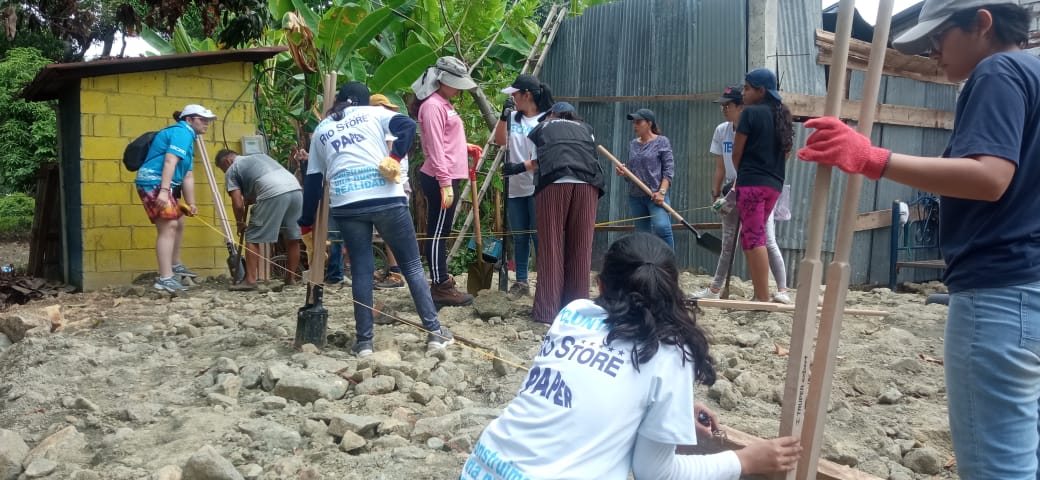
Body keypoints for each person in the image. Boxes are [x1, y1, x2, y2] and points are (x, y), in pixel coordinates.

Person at [798, 2, 1037, 477]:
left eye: (939, 37)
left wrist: (872, 159)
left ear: (982, 23)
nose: (931, 51)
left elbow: (990, 177)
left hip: (1000, 291)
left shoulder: (998, 72)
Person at [460, 233, 801, 480]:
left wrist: (670, 408)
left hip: (481, 468)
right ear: (671, 292)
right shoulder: (669, 352)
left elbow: (593, 383)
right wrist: (744, 461)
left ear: (601, 285)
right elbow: (656, 473)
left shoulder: (573, 313)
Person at [299, 81, 453, 357]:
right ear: (363, 100)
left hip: (347, 203)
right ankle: (435, 333)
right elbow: (408, 126)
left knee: (361, 270)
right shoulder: (373, 113)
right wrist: (394, 157)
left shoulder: (322, 129)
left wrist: (306, 220)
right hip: (386, 199)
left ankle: (364, 343)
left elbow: (312, 181)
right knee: (412, 266)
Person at [691, 86, 792, 304]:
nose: (724, 109)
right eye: (722, 106)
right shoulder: (722, 131)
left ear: (741, 107)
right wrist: (716, 194)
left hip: (754, 187)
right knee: (729, 242)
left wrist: (735, 191)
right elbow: (720, 166)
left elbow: (754, 163)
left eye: (728, 105)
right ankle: (715, 288)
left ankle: (782, 289)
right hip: (732, 188)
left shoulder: (756, 127)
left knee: (766, 239)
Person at [524, 102, 605, 324]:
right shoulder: (586, 129)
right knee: (581, 247)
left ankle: (547, 312)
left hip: (554, 183)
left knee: (551, 246)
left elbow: (536, 163)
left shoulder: (542, 128)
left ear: (551, 114)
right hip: (588, 185)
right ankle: (577, 310)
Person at [412, 56, 477, 308]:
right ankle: (440, 286)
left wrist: (464, 146)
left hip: (447, 174)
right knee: (438, 232)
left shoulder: (443, 103)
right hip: (441, 176)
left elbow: (445, 139)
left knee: (441, 230)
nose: (460, 88)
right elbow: (435, 146)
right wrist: (444, 181)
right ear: (442, 80)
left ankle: (441, 282)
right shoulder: (432, 106)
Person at [134, 104, 212, 293]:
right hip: (154, 181)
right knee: (169, 225)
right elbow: (170, 161)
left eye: (208, 120)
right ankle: (165, 278)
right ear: (189, 120)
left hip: (166, 184)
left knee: (179, 220)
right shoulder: (181, 132)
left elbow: (187, 175)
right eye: (202, 119)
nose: (206, 124)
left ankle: (175, 264)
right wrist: (163, 190)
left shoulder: (189, 137)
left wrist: (191, 203)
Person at [731, 68, 793, 303]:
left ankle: (762, 297)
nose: (743, 93)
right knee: (751, 236)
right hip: (774, 185)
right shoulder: (782, 115)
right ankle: (759, 293)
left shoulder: (750, 113)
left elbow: (737, 152)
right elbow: (787, 152)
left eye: (747, 88)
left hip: (751, 184)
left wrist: (743, 175)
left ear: (761, 91)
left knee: (754, 237)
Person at [495, 74, 553, 299]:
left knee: (538, 236)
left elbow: (548, 155)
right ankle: (521, 281)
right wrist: (503, 117)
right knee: (519, 236)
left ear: (526, 95)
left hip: (538, 186)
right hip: (515, 187)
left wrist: (521, 167)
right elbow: (500, 141)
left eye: (515, 94)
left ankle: (545, 282)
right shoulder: (514, 118)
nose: (513, 98)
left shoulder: (547, 119)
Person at [214, 149, 303, 290]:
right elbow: (262, 180)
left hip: (273, 192)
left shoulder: (232, 169)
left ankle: (250, 280)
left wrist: (240, 223)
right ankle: (290, 279)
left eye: (223, 169)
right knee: (292, 237)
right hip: (295, 190)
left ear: (227, 161)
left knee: (252, 236)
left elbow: (237, 204)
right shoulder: (260, 157)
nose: (225, 172)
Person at [619, 108, 675, 249]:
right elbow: (633, 172)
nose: (635, 125)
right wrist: (625, 172)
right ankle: (646, 262)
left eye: (638, 122)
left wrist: (662, 192)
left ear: (649, 123)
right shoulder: (633, 144)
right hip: (636, 197)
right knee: (642, 235)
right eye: (634, 122)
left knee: (662, 227)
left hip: (655, 195)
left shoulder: (662, 142)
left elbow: (668, 170)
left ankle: (669, 262)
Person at [370, 93, 409, 290]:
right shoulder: (393, 127)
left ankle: (395, 273)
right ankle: (393, 270)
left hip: (393, 185)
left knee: (390, 233)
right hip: (397, 184)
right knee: (390, 233)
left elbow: (387, 159)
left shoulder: (386, 130)